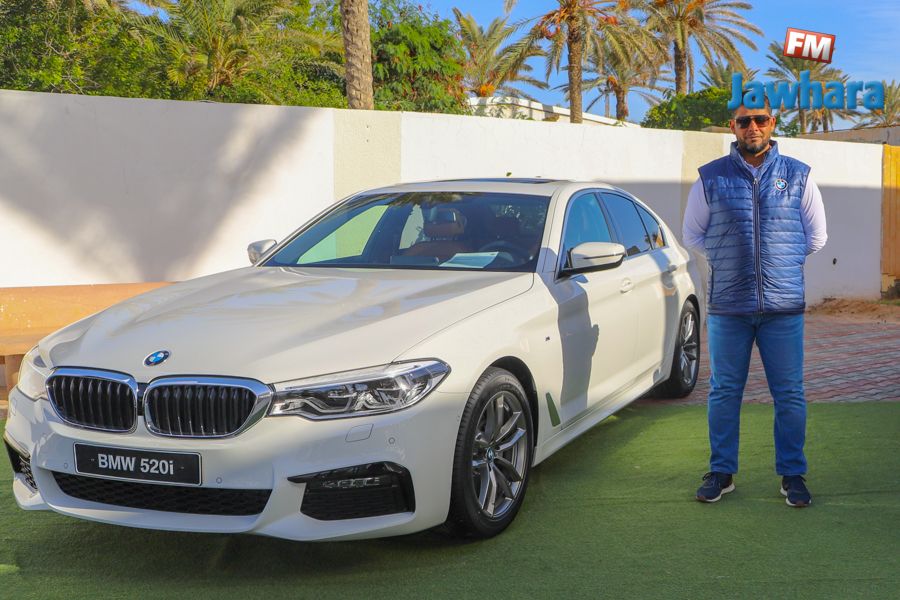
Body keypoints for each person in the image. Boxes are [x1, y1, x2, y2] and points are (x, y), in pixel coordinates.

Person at [682, 95, 827, 507]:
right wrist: (728, 259)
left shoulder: (798, 175)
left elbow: (817, 237)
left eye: (760, 120)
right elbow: (692, 235)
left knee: (790, 394)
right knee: (724, 391)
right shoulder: (710, 178)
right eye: (744, 121)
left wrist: (780, 262)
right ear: (733, 127)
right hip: (729, 307)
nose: (753, 128)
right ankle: (721, 472)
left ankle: (792, 475)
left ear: (772, 123)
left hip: (783, 309)